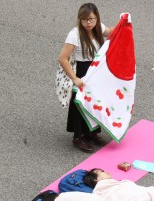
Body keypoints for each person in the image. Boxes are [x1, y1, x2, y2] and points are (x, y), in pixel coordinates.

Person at [58, 3, 112, 153]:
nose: (88, 23)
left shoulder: (98, 27)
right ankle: (78, 136)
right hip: (82, 71)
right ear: (79, 20)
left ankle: (91, 133)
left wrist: (125, 24)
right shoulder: (74, 35)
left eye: (91, 19)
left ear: (97, 18)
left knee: (95, 102)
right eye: (84, 20)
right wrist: (75, 78)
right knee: (80, 105)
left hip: (95, 71)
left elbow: (112, 32)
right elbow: (62, 58)